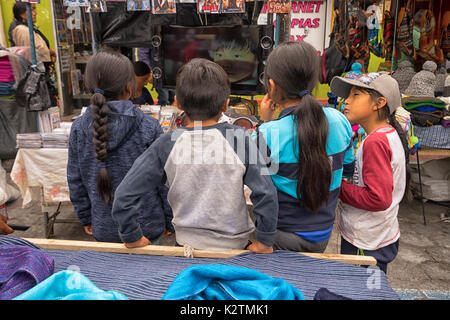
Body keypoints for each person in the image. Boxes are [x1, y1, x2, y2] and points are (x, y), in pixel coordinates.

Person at [111, 58, 278, 253]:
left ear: (178, 104)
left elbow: (124, 195)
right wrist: (265, 240)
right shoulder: (239, 139)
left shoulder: (167, 144)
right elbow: (266, 193)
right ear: (225, 105)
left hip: (186, 250)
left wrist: (132, 236)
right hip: (235, 250)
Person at [253, 41, 355, 253]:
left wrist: (265, 123)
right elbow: (347, 170)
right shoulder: (340, 121)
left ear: (271, 86)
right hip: (322, 235)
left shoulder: (267, 134)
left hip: (280, 237)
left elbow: (260, 189)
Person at [67, 49, 173, 244]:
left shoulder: (78, 128)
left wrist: (85, 216)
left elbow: (75, 179)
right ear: (129, 87)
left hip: (103, 226)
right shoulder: (148, 126)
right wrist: (169, 218)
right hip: (147, 227)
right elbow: (164, 182)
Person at [330, 72, 409, 273]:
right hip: (377, 235)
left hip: (367, 242)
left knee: (362, 291)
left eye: (356, 95)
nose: (346, 101)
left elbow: (378, 199)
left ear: (379, 103)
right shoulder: (385, 134)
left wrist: (335, 185)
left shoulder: (376, 142)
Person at [8, 2, 56, 66]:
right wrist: (51, 52)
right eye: (32, 9)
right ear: (21, 13)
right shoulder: (21, 29)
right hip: (37, 72)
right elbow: (36, 51)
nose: (35, 13)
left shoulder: (27, 26)